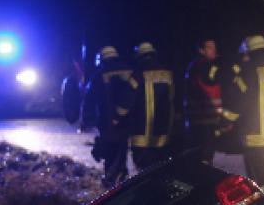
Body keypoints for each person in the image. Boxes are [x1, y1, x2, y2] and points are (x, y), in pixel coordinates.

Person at [226, 35, 264, 200]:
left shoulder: (247, 69)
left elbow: (241, 99)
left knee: (258, 167)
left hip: (254, 128)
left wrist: (226, 119)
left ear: (248, 51)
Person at [83, 46, 133, 187]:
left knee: (110, 150)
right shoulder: (129, 71)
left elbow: (89, 98)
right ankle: (121, 175)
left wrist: (87, 118)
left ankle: (111, 179)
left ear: (102, 59)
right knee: (122, 148)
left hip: (106, 120)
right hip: (126, 119)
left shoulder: (98, 74)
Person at [126, 42, 176, 171]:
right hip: (164, 137)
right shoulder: (168, 73)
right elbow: (176, 99)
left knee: (143, 175)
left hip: (142, 138)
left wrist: (118, 117)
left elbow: (126, 101)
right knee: (161, 172)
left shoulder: (137, 74)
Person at [184, 38, 224, 164]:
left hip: (202, 118)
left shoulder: (197, 65)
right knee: (204, 156)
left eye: (214, 47)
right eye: (210, 47)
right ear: (201, 50)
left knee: (203, 154)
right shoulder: (202, 66)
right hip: (204, 118)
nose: (214, 50)